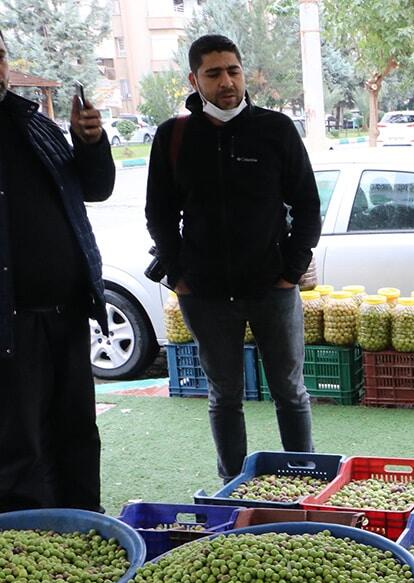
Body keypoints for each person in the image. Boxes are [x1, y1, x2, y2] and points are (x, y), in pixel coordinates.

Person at [145, 34, 321, 481]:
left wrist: (290, 271)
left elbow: (307, 205)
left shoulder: (275, 129)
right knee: (224, 395)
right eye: (214, 73)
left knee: (290, 392)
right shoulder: (173, 137)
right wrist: (179, 276)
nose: (226, 82)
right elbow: (159, 214)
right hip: (204, 294)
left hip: (272, 288)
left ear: (243, 73)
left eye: (233, 70)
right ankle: (232, 485)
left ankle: (305, 478)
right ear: (194, 80)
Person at [0, 29, 114, 512]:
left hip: (66, 313)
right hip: (10, 324)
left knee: (76, 432)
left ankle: (86, 523)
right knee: (19, 445)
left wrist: (90, 143)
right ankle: (26, 542)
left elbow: (95, 188)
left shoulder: (34, 124)